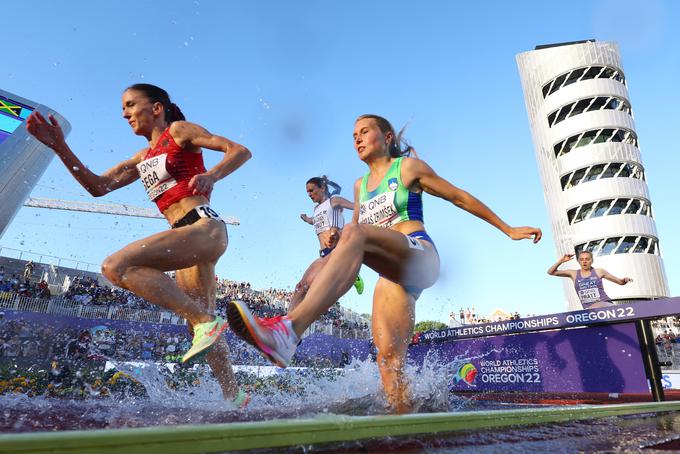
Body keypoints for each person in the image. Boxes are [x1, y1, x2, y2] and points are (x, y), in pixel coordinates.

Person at [227, 114, 541, 413]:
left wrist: (508, 229)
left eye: (364, 132)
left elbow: (459, 197)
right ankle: (401, 418)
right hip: (391, 275)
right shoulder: (359, 186)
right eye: (353, 136)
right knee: (388, 360)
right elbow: (355, 238)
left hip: (420, 255)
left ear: (386, 137)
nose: (357, 139)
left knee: (356, 233)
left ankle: (290, 330)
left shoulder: (406, 168)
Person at [26, 83, 251, 406]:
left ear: (156, 108)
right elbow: (98, 187)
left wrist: (212, 176)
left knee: (116, 266)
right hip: (185, 242)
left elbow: (239, 150)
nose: (124, 113)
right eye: (123, 107)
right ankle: (235, 396)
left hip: (203, 228)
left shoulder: (179, 130)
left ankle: (206, 322)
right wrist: (60, 146)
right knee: (198, 325)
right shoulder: (141, 158)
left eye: (131, 105)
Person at [291, 176, 363, 311]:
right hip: (324, 254)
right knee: (301, 287)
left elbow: (358, 207)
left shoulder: (334, 201)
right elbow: (315, 221)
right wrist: (306, 219)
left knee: (314, 290)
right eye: (307, 192)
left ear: (322, 188)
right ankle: (285, 324)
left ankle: (353, 276)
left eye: (312, 190)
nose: (309, 194)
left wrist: (353, 227)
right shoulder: (316, 209)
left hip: (337, 251)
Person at [547, 251, 632, 309]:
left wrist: (625, 280)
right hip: (590, 311)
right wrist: (561, 261)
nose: (584, 262)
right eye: (581, 259)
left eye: (587, 259)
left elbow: (620, 282)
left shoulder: (599, 271)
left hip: (605, 305)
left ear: (592, 261)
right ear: (578, 261)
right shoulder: (573, 274)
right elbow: (551, 272)